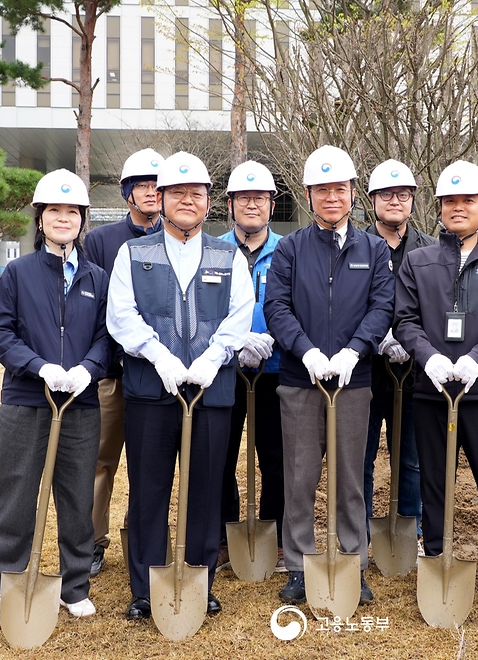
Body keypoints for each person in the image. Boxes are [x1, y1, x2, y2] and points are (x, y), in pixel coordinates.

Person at [106, 151, 254, 621]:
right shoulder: (134, 253)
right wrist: (159, 356)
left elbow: (239, 313)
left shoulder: (227, 255)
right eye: (177, 193)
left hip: (212, 393)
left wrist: (214, 358)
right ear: (161, 198)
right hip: (151, 390)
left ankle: (199, 576)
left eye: (196, 194)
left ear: (209, 203)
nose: (186, 201)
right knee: (149, 487)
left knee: (207, 487)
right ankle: (146, 587)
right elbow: (121, 315)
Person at [393, 160, 478, 611]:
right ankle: (436, 559)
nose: (458, 208)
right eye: (450, 201)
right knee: (434, 481)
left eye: (468, 201)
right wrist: (428, 358)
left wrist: (477, 358)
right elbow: (405, 320)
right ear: (439, 208)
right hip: (432, 392)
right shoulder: (418, 261)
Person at [264, 145, 394, 606]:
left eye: (339, 188)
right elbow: (276, 307)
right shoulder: (291, 248)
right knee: (298, 476)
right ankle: (299, 564)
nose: (332, 197)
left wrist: (355, 351)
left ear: (353, 193)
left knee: (349, 478)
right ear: (308, 194)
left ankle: (353, 562)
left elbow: (383, 307)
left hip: (353, 382)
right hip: (301, 380)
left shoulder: (374, 249)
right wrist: (308, 352)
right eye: (322, 190)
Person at [0, 169, 111, 629]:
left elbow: (106, 339)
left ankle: (75, 586)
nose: (63, 218)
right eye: (54, 211)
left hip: (80, 404)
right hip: (25, 402)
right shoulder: (18, 273)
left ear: (81, 220)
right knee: (15, 498)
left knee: (76, 499)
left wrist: (84, 370)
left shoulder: (98, 277)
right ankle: (0, 592)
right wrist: (40, 367)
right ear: (40, 219)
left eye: (71, 211)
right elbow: (0, 333)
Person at [83, 148, 164, 577]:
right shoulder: (100, 241)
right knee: (101, 460)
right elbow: (96, 310)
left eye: (157, 184)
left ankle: (143, 537)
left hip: (160, 373)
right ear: (127, 193)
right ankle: (93, 541)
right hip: (113, 374)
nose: (151, 192)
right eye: (143, 185)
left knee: (150, 463)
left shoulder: (177, 238)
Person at [217, 160, 287, 572]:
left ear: (271, 205)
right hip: (225, 368)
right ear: (230, 204)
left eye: (259, 198)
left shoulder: (290, 250)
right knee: (221, 455)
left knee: (276, 457)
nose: (252, 205)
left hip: (275, 370)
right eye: (244, 198)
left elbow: (297, 305)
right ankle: (225, 536)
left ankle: (273, 535)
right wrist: (234, 340)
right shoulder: (214, 249)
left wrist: (272, 338)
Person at [362, 159, 433, 545]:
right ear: (372, 199)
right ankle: (360, 533)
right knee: (362, 458)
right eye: (386, 194)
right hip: (365, 370)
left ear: (412, 201)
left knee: (412, 459)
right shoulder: (356, 246)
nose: (395, 201)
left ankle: (411, 531)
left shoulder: (431, 250)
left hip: (416, 370)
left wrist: (413, 342)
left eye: (402, 194)